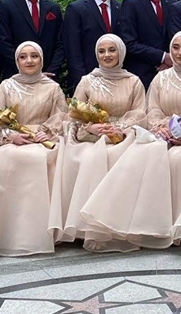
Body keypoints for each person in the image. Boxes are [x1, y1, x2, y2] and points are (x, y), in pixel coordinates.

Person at [80, 31, 181, 249]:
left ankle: (180, 225)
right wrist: (162, 128)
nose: (180, 52)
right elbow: (152, 111)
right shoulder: (160, 78)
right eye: (175, 47)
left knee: (179, 160)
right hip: (163, 134)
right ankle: (142, 223)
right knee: (144, 155)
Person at [0, 41, 67, 256]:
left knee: (41, 156)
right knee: (7, 157)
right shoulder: (5, 86)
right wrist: (10, 135)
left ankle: (39, 230)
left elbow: (61, 116)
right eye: (23, 57)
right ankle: (6, 229)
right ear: (16, 61)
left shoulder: (53, 87)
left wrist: (47, 131)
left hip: (41, 138)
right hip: (11, 139)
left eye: (34, 56)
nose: (29, 61)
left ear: (41, 59)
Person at [50, 34, 146, 246]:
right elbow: (71, 116)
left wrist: (120, 128)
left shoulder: (134, 81)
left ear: (121, 52)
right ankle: (87, 226)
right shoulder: (87, 81)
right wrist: (90, 128)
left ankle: (118, 224)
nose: (107, 55)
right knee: (87, 157)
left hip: (123, 136)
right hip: (91, 137)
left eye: (112, 50)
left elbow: (140, 113)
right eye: (101, 51)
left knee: (125, 157)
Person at [120, 0, 178, 90]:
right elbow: (129, 43)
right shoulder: (130, 3)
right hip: (142, 76)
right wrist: (163, 57)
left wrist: (171, 61)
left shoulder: (173, 4)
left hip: (172, 74)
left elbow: (178, 38)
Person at [63, 0, 121, 89]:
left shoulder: (121, 8)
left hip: (118, 80)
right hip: (88, 80)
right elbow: (73, 51)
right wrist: (83, 83)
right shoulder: (76, 9)